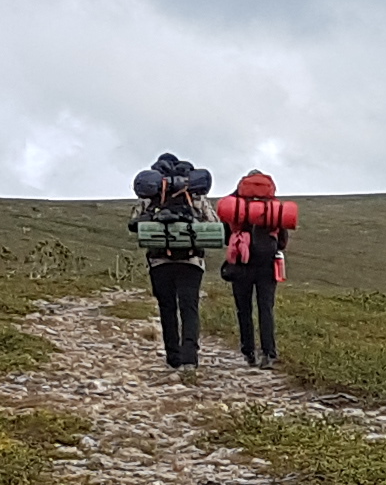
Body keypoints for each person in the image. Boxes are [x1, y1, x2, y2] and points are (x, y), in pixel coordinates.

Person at [128, 151, 217, 370]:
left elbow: (133, 224)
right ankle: (190, 358)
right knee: (189, 308)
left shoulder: (150, 196)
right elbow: (213, 223)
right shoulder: (196, 195)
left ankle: (172, 357)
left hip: (159, 262)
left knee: (166, 307)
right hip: (192, 261)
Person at [214, 168, 299, 368]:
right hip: (267, 264)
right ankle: (269, 354)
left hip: (241, 265)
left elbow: (227, 236)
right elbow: (282, 241)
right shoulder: (273, 209)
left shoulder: (236, 208)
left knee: (243, 309)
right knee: (265, 308)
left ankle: (248, 352)